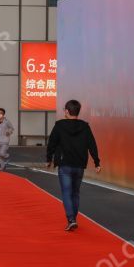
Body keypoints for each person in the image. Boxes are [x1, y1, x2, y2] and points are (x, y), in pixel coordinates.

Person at [46, 99, 101, 232]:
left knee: (66, 192)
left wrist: (49, 159)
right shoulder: (85, 126)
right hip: (79, 164)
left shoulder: (59, 125)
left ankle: (71, 219)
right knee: (75, 192)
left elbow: (52, 143)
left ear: (66, 111)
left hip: (65, 164)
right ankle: (73, 219)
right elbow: (92, 144)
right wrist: (97, 162)